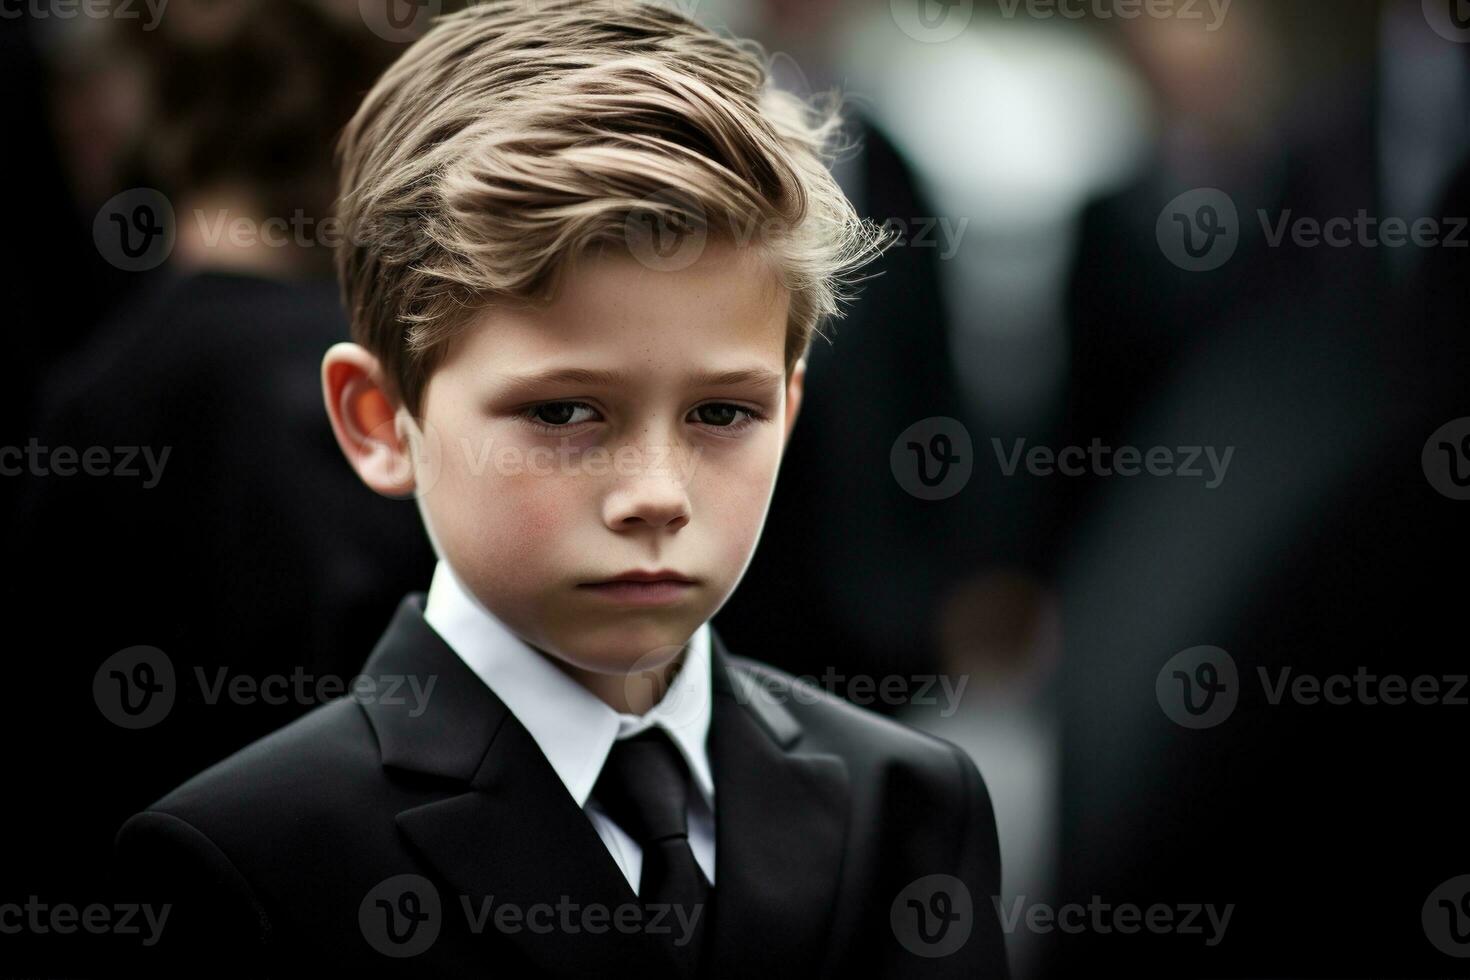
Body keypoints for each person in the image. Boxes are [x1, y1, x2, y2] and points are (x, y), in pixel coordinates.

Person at [113, 3, 1011, 977]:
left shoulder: (912, 805)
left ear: (790, 410)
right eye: (563, 413)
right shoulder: (248, 857)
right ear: (379, 419)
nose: (655, 494)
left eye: (721, 414)